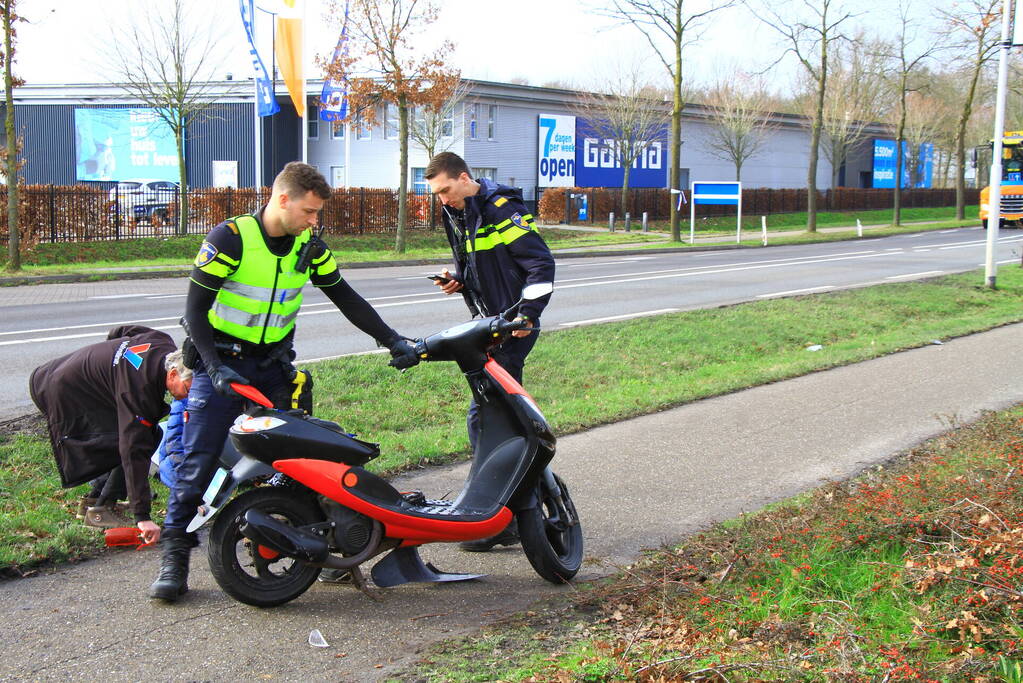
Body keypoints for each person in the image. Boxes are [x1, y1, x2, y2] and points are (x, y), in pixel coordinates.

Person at [150, 161, 418, 602]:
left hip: (274, 370)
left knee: (297, 465)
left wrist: (391, 340)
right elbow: (195, 310)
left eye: (317, 215)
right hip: (224, 368)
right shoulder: (230, 239)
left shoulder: (307, 244)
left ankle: (305, 549)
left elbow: (345, 295)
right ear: (283, 199)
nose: (315, 222)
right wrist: (214, 369)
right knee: (196, 462)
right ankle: (175, 555)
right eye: (310, 212)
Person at [424, 152, 555, 552]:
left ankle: (502, 513)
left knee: (488, 417)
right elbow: (480, 265)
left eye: (446, 190)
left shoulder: (501, 210)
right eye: (437, 194)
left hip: (512, 327)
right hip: (487, 326)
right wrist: (459, 280)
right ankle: (508, 510)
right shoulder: (458, 211)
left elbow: (540, 265)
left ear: (465, 178)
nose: (443, 200)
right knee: (496, 417)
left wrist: (527, 315)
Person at [28, 326, 193, 542]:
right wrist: (142, 515)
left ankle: (95, 501)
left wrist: (111, 363)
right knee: (131, 441)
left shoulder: (161, 340)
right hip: (62, 392)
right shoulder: (138, 392)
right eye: (188, 390)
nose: (186, 397)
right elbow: (133, 449)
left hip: (57, 374)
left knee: (146, 435)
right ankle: (101, 510)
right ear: (172, 374)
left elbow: (120, 331)